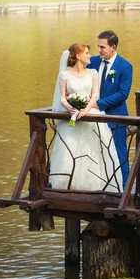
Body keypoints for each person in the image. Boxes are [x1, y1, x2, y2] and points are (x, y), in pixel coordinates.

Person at [49, 43, 123, 192]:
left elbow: (95, 95)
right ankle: (69, 184)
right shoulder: (65, 75)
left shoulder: (93, 73)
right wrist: (72, 109)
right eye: (87, 53)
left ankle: (97, 184)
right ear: (78, 56)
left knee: (93, 150)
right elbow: (62, 98)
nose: (90, 56)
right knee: (71, 148)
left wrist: (86, 110)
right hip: (72, 118)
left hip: (91, 115)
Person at [87, 30, 133, 188]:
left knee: (119, 153)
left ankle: (123, 187)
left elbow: (122, 94)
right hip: (91, 118)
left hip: (115, 117)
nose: (99, 50)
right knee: (95, 153)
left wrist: (98, 104)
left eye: (102, 47)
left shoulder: (125, 66)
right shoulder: (91, 62)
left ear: (113, 47)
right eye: (98, 46)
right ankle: (100, 185)